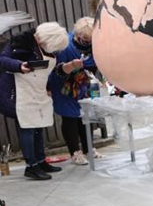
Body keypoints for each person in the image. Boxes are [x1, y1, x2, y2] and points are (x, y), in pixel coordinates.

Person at [0, 22, 69, 180]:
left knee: (38, 126)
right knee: (28, 128)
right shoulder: (20, 42)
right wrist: (19, 65)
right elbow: (2, 59)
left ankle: (40, 161)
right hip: (17, 93)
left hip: (37, 92)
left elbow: (45, 73)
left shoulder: (45, 47)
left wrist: (49, 86)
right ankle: (31, 166)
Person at [48, 17, 103, 166]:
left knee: (87, 115)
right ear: (77, 34)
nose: (87, 42)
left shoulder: (96, 44)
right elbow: (56, 69)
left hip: (87, 83)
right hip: (65, 85)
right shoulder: (65, 45)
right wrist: (72, 66)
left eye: (90, 39)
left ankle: (89, 148)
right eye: (84, 39)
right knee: (70, 117)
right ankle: (75, 152)